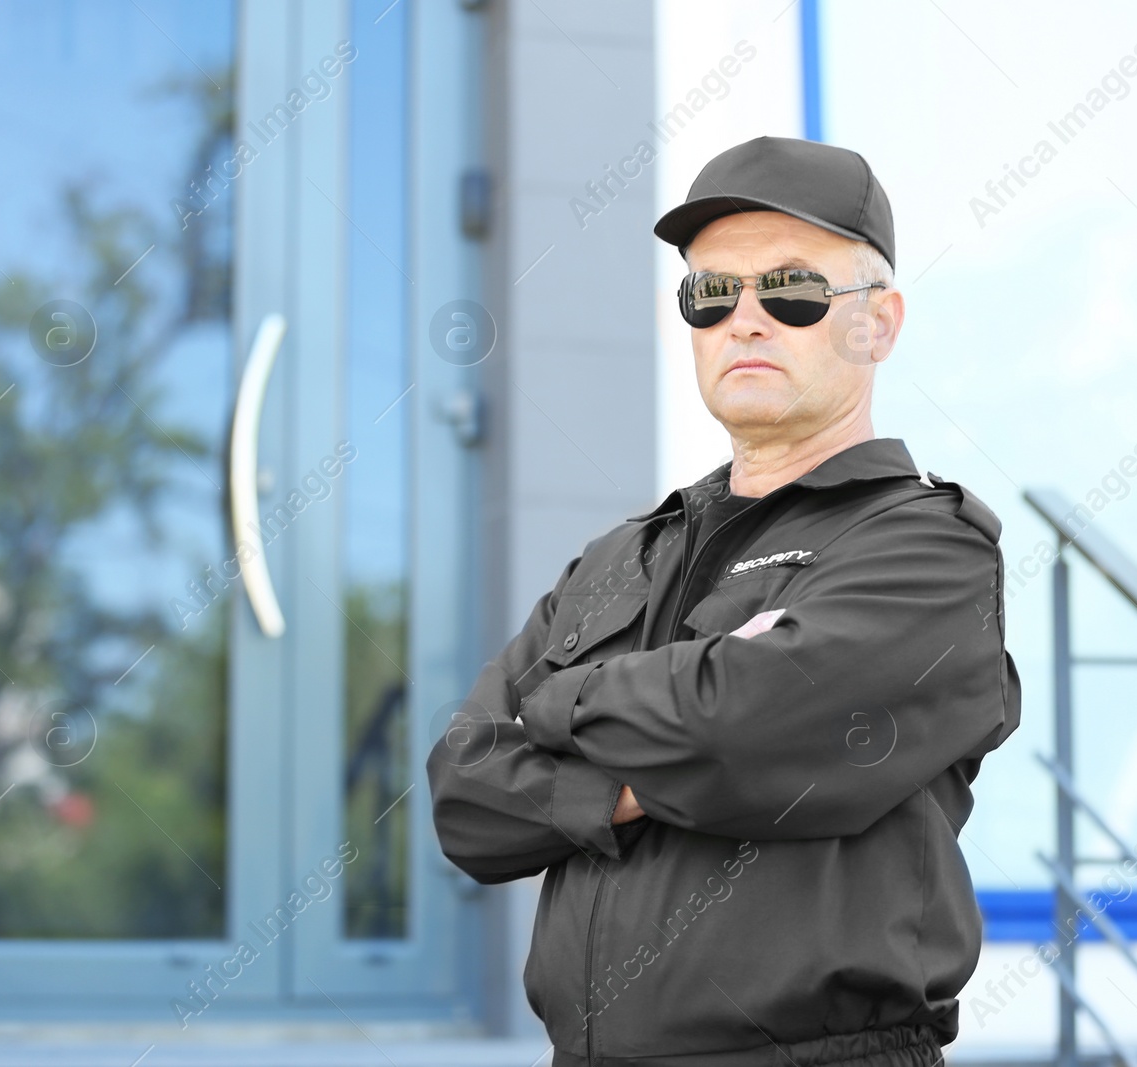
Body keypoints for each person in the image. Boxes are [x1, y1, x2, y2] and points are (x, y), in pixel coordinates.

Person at [427, 135, 1021, 1067]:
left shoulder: (927, 551)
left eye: (792, 288)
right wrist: (653, 769)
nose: (746, 320)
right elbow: (465, 794)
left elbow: (738, 724)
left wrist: (559, 707)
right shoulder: (619, 557)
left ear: (877, 324)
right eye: (712, 294)